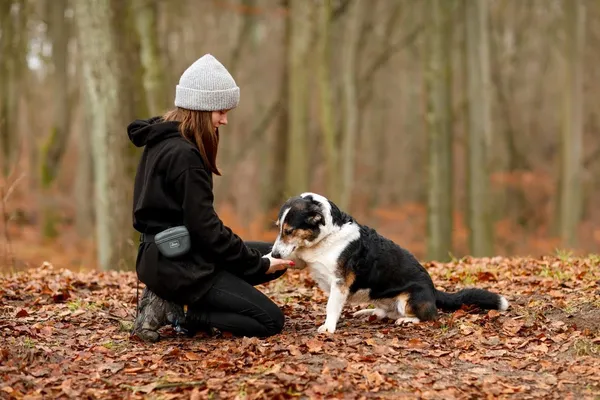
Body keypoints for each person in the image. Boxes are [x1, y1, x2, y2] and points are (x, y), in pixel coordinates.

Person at [127, 53, 294, 342]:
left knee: (275, 252)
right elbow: (205, 229)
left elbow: (200, 228)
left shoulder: (164, 140)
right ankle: (185, 313)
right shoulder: (184, 155)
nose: (225, 120)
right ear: (202, 108)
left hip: (170, 254)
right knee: (270, 321)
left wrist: (261, 261)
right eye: (220, 112)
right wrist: (258, 265)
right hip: (177, 265)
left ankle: (175, 298)